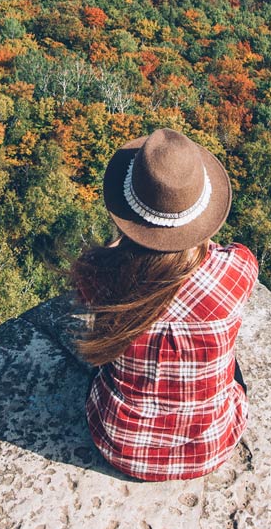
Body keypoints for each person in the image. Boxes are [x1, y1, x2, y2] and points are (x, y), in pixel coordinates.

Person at [70, 127, 259, 481]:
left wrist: (116, 251)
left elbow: (92, 284)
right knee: (232, 362)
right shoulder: (236, 271)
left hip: (118, 445)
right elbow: (239, 259)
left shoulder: (100, 278)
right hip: (210, 449)